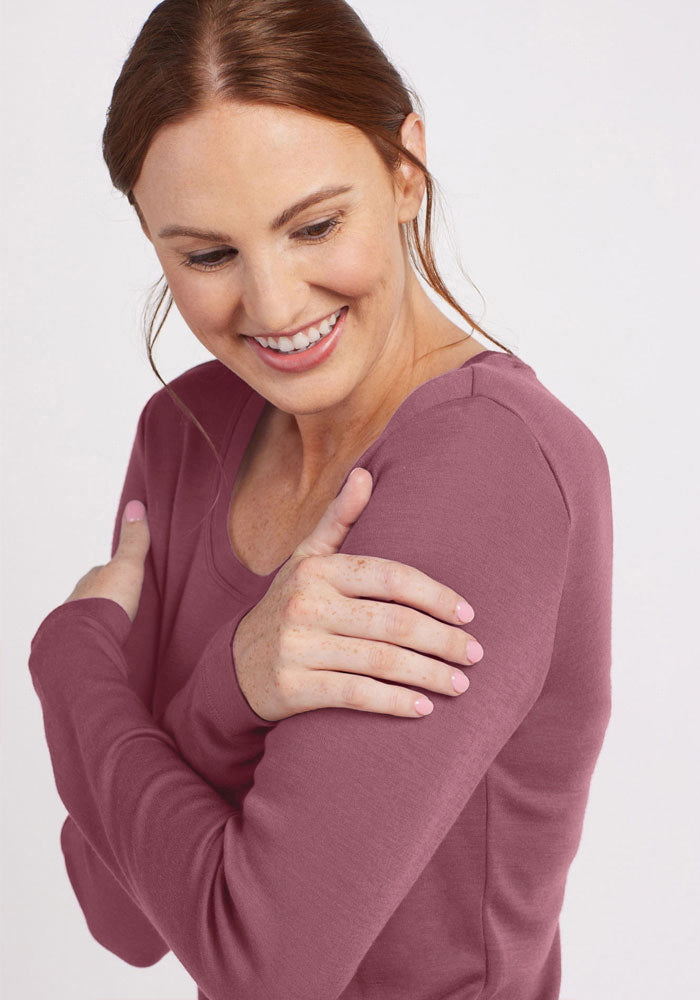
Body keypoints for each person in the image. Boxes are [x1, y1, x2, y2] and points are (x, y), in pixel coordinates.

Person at [28, 2, 613, 998]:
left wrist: (71, 659)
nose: (275, 305)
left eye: (314, 225)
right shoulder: (183, 431)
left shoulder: (488, 466)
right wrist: (231, 690)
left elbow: (267, 968)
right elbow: (118, 910)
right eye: (206, 254)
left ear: (404, 168)